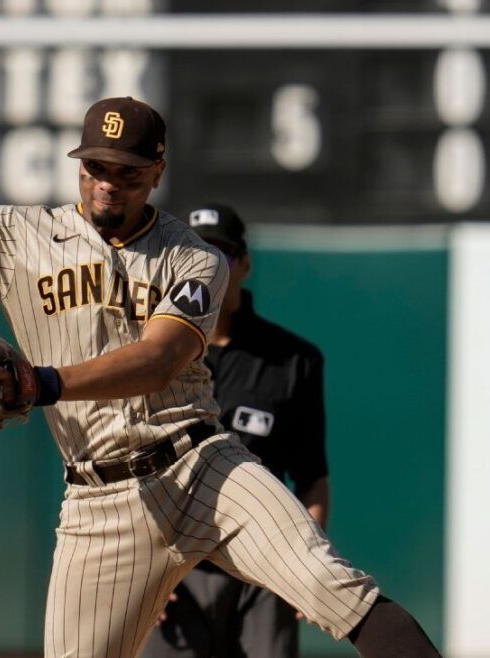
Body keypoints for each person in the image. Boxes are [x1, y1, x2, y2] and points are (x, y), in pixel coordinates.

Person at [0, 96, 441, 658]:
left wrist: (41, 383)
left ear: (157, 171)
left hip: (205, 466)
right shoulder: (16, 237)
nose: (108, 181)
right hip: (99, 501)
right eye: (95, 166)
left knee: (338, 589)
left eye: (127, 171)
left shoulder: (194, 257)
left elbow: (160, 359)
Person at [142, 204, 331, 658]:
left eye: (221, 256)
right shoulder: (147, 355)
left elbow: (312, 477)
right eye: (194, 256)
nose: (207, 269)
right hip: (175, 566)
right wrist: (141, 566)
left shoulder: (292, 360)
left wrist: (306, 562)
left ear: (244, 264)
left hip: (264, 569)